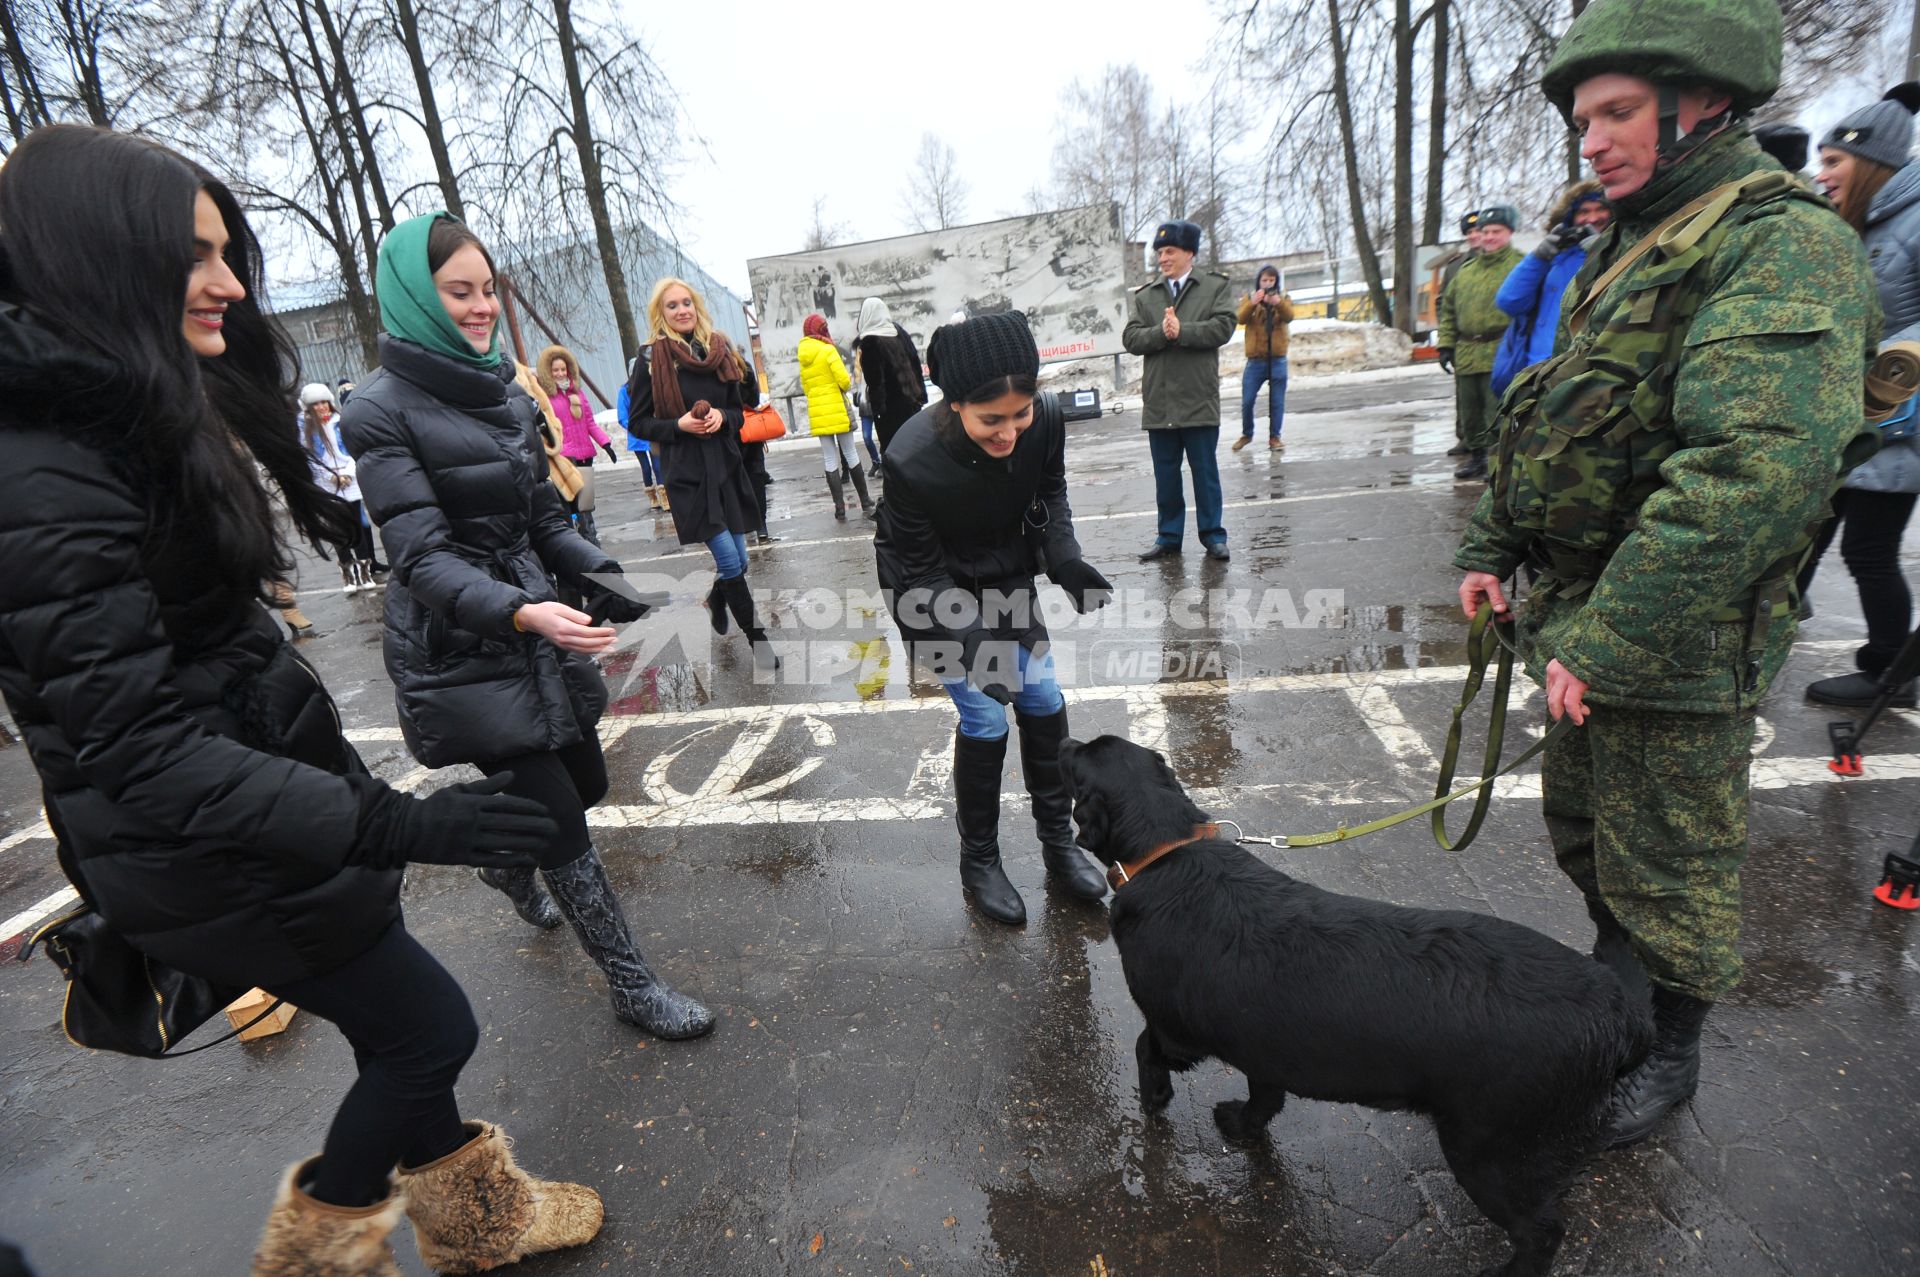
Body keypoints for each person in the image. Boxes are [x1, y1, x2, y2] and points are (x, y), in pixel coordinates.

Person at [0, 126, 603, 1273]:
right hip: (211, 848)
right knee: (430, 1026)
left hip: (267, 816)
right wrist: (403, 821)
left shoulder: (114, 418)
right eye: (194, 254)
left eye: (230, 251)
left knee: (397, 1027)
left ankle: (478, 1218)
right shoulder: (44, 472)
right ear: (92, 256)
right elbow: (145, 753)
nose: (230, 281)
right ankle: (316, 1254)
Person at [1455, 0, 1877, 1149]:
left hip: (1679, 634)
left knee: (1674, 860)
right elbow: (1548, 418)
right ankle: (1619, 987)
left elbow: (1750, 474)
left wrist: (1605, 639)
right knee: (1593, 835)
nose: (1592, 139)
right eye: (1585, 117)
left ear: (1707, 103)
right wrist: (1492, 548)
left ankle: (1670, 1048)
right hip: (1588, 609)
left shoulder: (1780, 242)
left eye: (1620, 111)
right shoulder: (1635, 240)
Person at [343, 213, 715, 1045]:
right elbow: (421, 560)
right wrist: (519, 609)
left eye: (487, 291)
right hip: (461, 642)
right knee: (561, 817)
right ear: (414, 296)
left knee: (582, 785)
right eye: (459, 292)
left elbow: (545, 520)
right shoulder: (377, 411)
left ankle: (502, 860)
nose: (481, 309)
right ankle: (632, 983)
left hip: (535, 621)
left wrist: (622, 582)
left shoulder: (508, 395)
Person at [874, 312, 1113, 924]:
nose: (1010, 431)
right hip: (932, 587)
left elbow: (1048, 491)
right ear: (954, 404)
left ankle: (1058, 843)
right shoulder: (910, 458)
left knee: (1041, 698)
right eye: (991, 420)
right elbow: (923, 575)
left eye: (1020, 413)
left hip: (1005, 573)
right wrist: (976, 644)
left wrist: (1064, 557)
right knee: (984, 715)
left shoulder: (1047, 420)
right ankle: (979, 859)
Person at [1798, 83, 1920, 707]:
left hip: (1895, 423)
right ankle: (1761, 634)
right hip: (1848, 419)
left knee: (1868, 551)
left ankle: (1889, 674)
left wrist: (1899, 367)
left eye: (1834, 162)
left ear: (1872, 165)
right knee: (1806, 533)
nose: (1823, 174)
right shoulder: (1856, 223)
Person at [625, 277, 780, 668]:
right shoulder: (649, 360)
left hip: (727, 467)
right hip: (688, 475)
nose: (682, 311)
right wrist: (679, 425)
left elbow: (737, 410)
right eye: (672, 305)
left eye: (686, 303)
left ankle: (716, 597)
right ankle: (759, 640)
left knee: (740, 563)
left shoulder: (717, 350)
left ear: (696, 307)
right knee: (730, 562)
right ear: (661, 314)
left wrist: (718, 418)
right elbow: (639, 423)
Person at [1124, 219, 1238, 562]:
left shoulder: (1214, 287)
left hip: (1197, 399)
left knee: (1205, 473)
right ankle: (1168, 537)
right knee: (1166, 478)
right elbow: (1131, 338)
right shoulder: (1147, 296)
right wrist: (1162, 333)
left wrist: (1183, 330)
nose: (1162, 258)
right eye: (1159, 252)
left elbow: (1224, 326)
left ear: (1189, 252)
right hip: (1160, 403)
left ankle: (1213, 536)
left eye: (1169, 251)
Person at [1492, 182, 1611, 394]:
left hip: (1584, 374)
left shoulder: (1625, 253)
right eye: (1584, 211)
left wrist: (1603, 250)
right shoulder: (1555, 259)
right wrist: (1539, 257)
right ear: (1570, 217)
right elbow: (1509, 301)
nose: (1592, 218)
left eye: (1601, 209)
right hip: (1536, 372)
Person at [1436, 203, 1522, 481]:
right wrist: (1446, 345)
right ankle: (1477, 457)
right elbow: (1448, 310)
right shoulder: (1465, 271)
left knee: (1496, 410)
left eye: (1496, 231)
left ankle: (1499, 462)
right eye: (1485, 232)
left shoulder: (1520, 265)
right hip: (1468, 352)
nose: (1489, 237)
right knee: (1470, 411)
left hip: (1502, 350)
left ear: (1509, 232)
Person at [300, 382, 380, 595]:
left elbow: (354, 448)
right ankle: (348, 571)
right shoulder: (304, 428)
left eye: (324, 402)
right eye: (316, 404)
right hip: (326, 482)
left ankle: (365, 571)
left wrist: (347, 473)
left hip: (349, 478)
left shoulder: (340, 422)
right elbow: (310, 458)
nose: (321, 407)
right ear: (308, 407)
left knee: (357, 526)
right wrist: (331, 476)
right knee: (337, 529)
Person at [536, 344, 615, 545]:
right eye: (555, 370)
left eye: (563, 369)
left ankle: (591, 540)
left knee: (586, 503)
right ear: (548, 372)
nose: (560, 373)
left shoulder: (578, 394)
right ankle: (576, 542)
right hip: (564, 458)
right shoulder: (546, 397)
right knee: (570, 505)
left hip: (584, 456)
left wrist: (605, 443)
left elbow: (589, 423)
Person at [798, 313, 874, 520]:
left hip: (819, 413)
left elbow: (806, 388)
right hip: (838, 409)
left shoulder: (803, 355)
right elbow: (844, 382)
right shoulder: (828, 350)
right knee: (850, 453)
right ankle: (865, 499)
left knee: (829, 458)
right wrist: (845, 381)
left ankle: (839, 508)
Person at [854, 295, 928, 458]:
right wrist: (920, 395)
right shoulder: (899, 333)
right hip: (911, 402)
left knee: (895, 453)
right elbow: (915, 365)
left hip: (890, 410)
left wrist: (878, 409)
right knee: (916, 449)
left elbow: (875, 382)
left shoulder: (870, 342)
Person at [1232, 264, 1294, 452]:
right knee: (1247, 400)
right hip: (1255, 360)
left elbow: (1290, 316)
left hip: (1277, 359)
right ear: (1258, 281)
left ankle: (1275, 438)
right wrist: (1252, 303)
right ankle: (1247, 434)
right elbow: (1240, 318)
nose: (1268, 284)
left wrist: (1278, 303)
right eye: (1264, 280)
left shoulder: (1283, 298)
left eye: (1271, 280)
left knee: (1277, 402)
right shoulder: (1249, 298)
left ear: (1276, 282)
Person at [616, 356, 670, 512]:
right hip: (637, 436)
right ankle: (652, 495)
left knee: (658, 466)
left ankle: (664, 495)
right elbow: (622, 416)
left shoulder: (651, 386)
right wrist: (635, 427)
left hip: (651, 435)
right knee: (646, 468)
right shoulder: (624, 391)